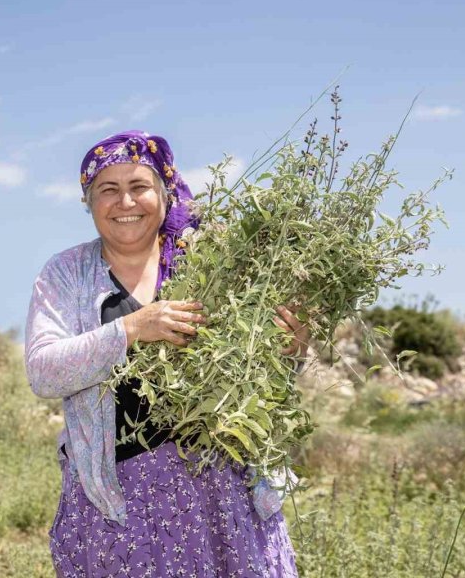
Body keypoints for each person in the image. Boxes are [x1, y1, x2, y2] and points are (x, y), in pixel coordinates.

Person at [25, 130, 310, 577]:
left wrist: (291, 349)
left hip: (225, 490)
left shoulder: (211, 259)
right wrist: (133, 328)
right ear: (88, 201)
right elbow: (43, 372)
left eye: (139, 186)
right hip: (118, 505)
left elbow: (261, 377)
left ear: (164, 192)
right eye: (108, 190)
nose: (126, 202)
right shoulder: (66, 274)